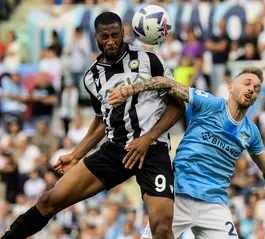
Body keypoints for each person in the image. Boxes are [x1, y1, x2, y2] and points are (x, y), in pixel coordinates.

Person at [1, 12, 185, 239]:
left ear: (123, 34)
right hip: (116, 150)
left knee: (162, 227)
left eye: (115, 35)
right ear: (96, 37)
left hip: (153, 149)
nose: (111, 41)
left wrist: (146, 139)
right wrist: (76, 154)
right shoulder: (91, 77)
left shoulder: (150, 61)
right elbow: (101, 121)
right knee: (50, 200)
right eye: (105, 36)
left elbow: (177, 108)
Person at [108, 67, 265, 239]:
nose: (252, 89)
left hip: (214, 205)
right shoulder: (211, 104)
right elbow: (167, 83)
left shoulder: (251, 132)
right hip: (179, 196)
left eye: (257, 88)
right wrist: (129, 90)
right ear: (230, 87)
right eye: (247, 83)